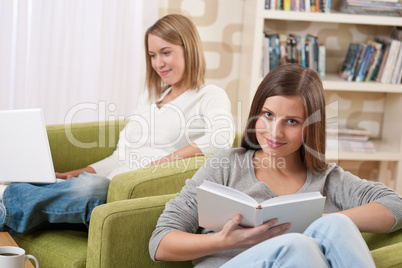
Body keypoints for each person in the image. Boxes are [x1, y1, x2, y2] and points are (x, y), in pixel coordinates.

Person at [0, 14, 234, 236]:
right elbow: (119, 158)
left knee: (93, 189)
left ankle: (5, 206)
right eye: (152, 55)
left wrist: (161, 162)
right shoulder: (149, 98)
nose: (158, 63)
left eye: (165, 52)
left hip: (137, 192)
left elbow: (221, 137)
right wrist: (72, 175)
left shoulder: (209, 96)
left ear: (188, 49)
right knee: (84, 185)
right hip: (108, 185)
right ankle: (14, 203)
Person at [149, 64, 402, 268]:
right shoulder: (226, 165)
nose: (274, 131)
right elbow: (160, 243)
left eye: (291, 121)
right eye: (268, 115)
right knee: (297, 245)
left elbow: (395, 206)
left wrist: (319, 221)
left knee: (336, 225)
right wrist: (222, 240)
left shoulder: (327, 178)